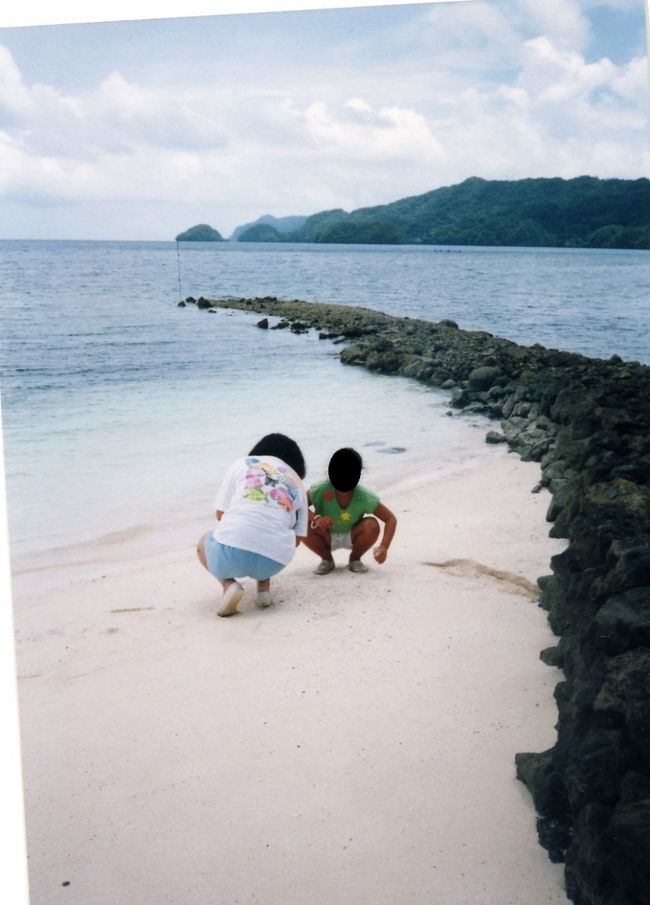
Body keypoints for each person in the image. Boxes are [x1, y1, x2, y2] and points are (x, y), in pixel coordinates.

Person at [197, 433, 308, 616]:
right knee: (269, 531)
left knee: (204, 543)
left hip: (231, 555)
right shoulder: (297, 483)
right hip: (275, 561)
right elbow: (298, 539)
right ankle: (263, 590)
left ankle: (229, 585)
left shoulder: (242, 464)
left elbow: (220, 514)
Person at [304, 447, 397, 575]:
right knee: (303, 523)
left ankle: (355, 558)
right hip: (325, 534)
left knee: (372, 525)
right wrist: (316, 519)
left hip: (354, 536)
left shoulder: (364, 497)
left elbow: (390, 519)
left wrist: (384, 547)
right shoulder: (320, 489)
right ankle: (327, 559)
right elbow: (298, 506)